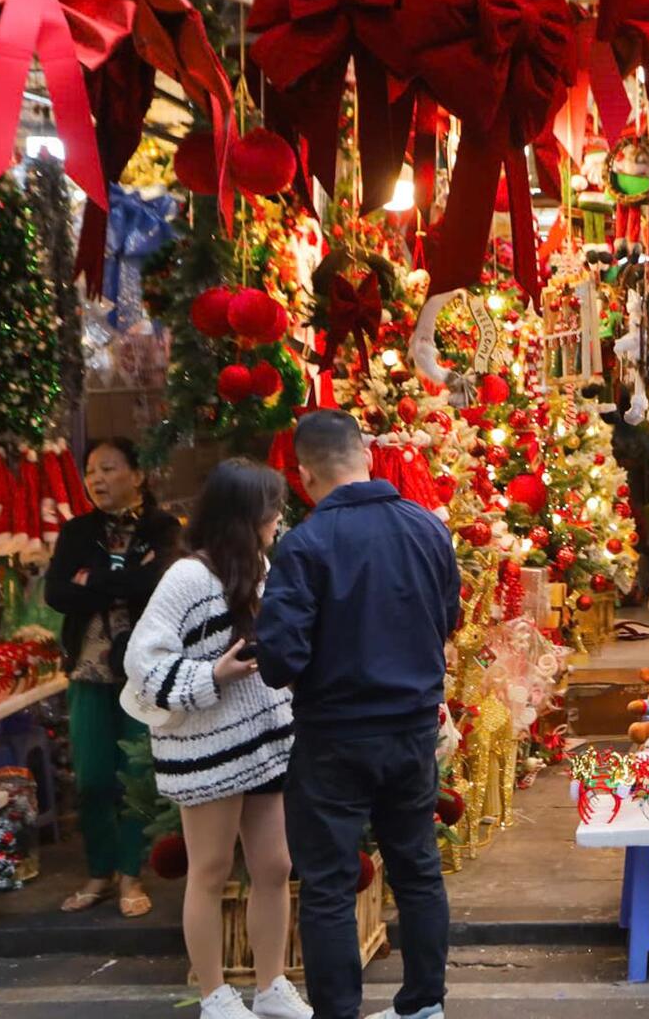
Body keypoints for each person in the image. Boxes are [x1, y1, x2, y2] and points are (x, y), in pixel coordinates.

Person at [255, 410, 461, 1019]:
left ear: (304, 475)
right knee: (417, 869)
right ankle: (424, 1005)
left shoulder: (305, 544)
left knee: (327, 886)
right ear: (365, 456)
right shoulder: (426, 528)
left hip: (334, 737)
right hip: (411, 728)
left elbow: (281, 659)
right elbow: (447, 619)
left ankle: (339, 1011)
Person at [125, 459, 305, 1019]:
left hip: (266, 741)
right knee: (210, 871)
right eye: (270, 507)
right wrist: (210, 677)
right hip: (206, 749)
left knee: (274, 865)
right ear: (243, 515)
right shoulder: (186, 578)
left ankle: (271, 985)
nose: (278, 516)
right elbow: (143, 662)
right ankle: (214, 994)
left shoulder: (259, 565)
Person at [44, 436, 181, 918]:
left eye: (108, 468)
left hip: (142, 672)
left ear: (137, 474)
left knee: (137, 776)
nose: (97, 479)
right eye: (91, 472)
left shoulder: (163, 529)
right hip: (88, 669)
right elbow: (58, 594)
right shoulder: (77, 531)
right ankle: (98, 872)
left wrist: (93, 580)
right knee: (93, 778)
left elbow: (160, 584)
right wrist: (120, 581)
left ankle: (129, 874)